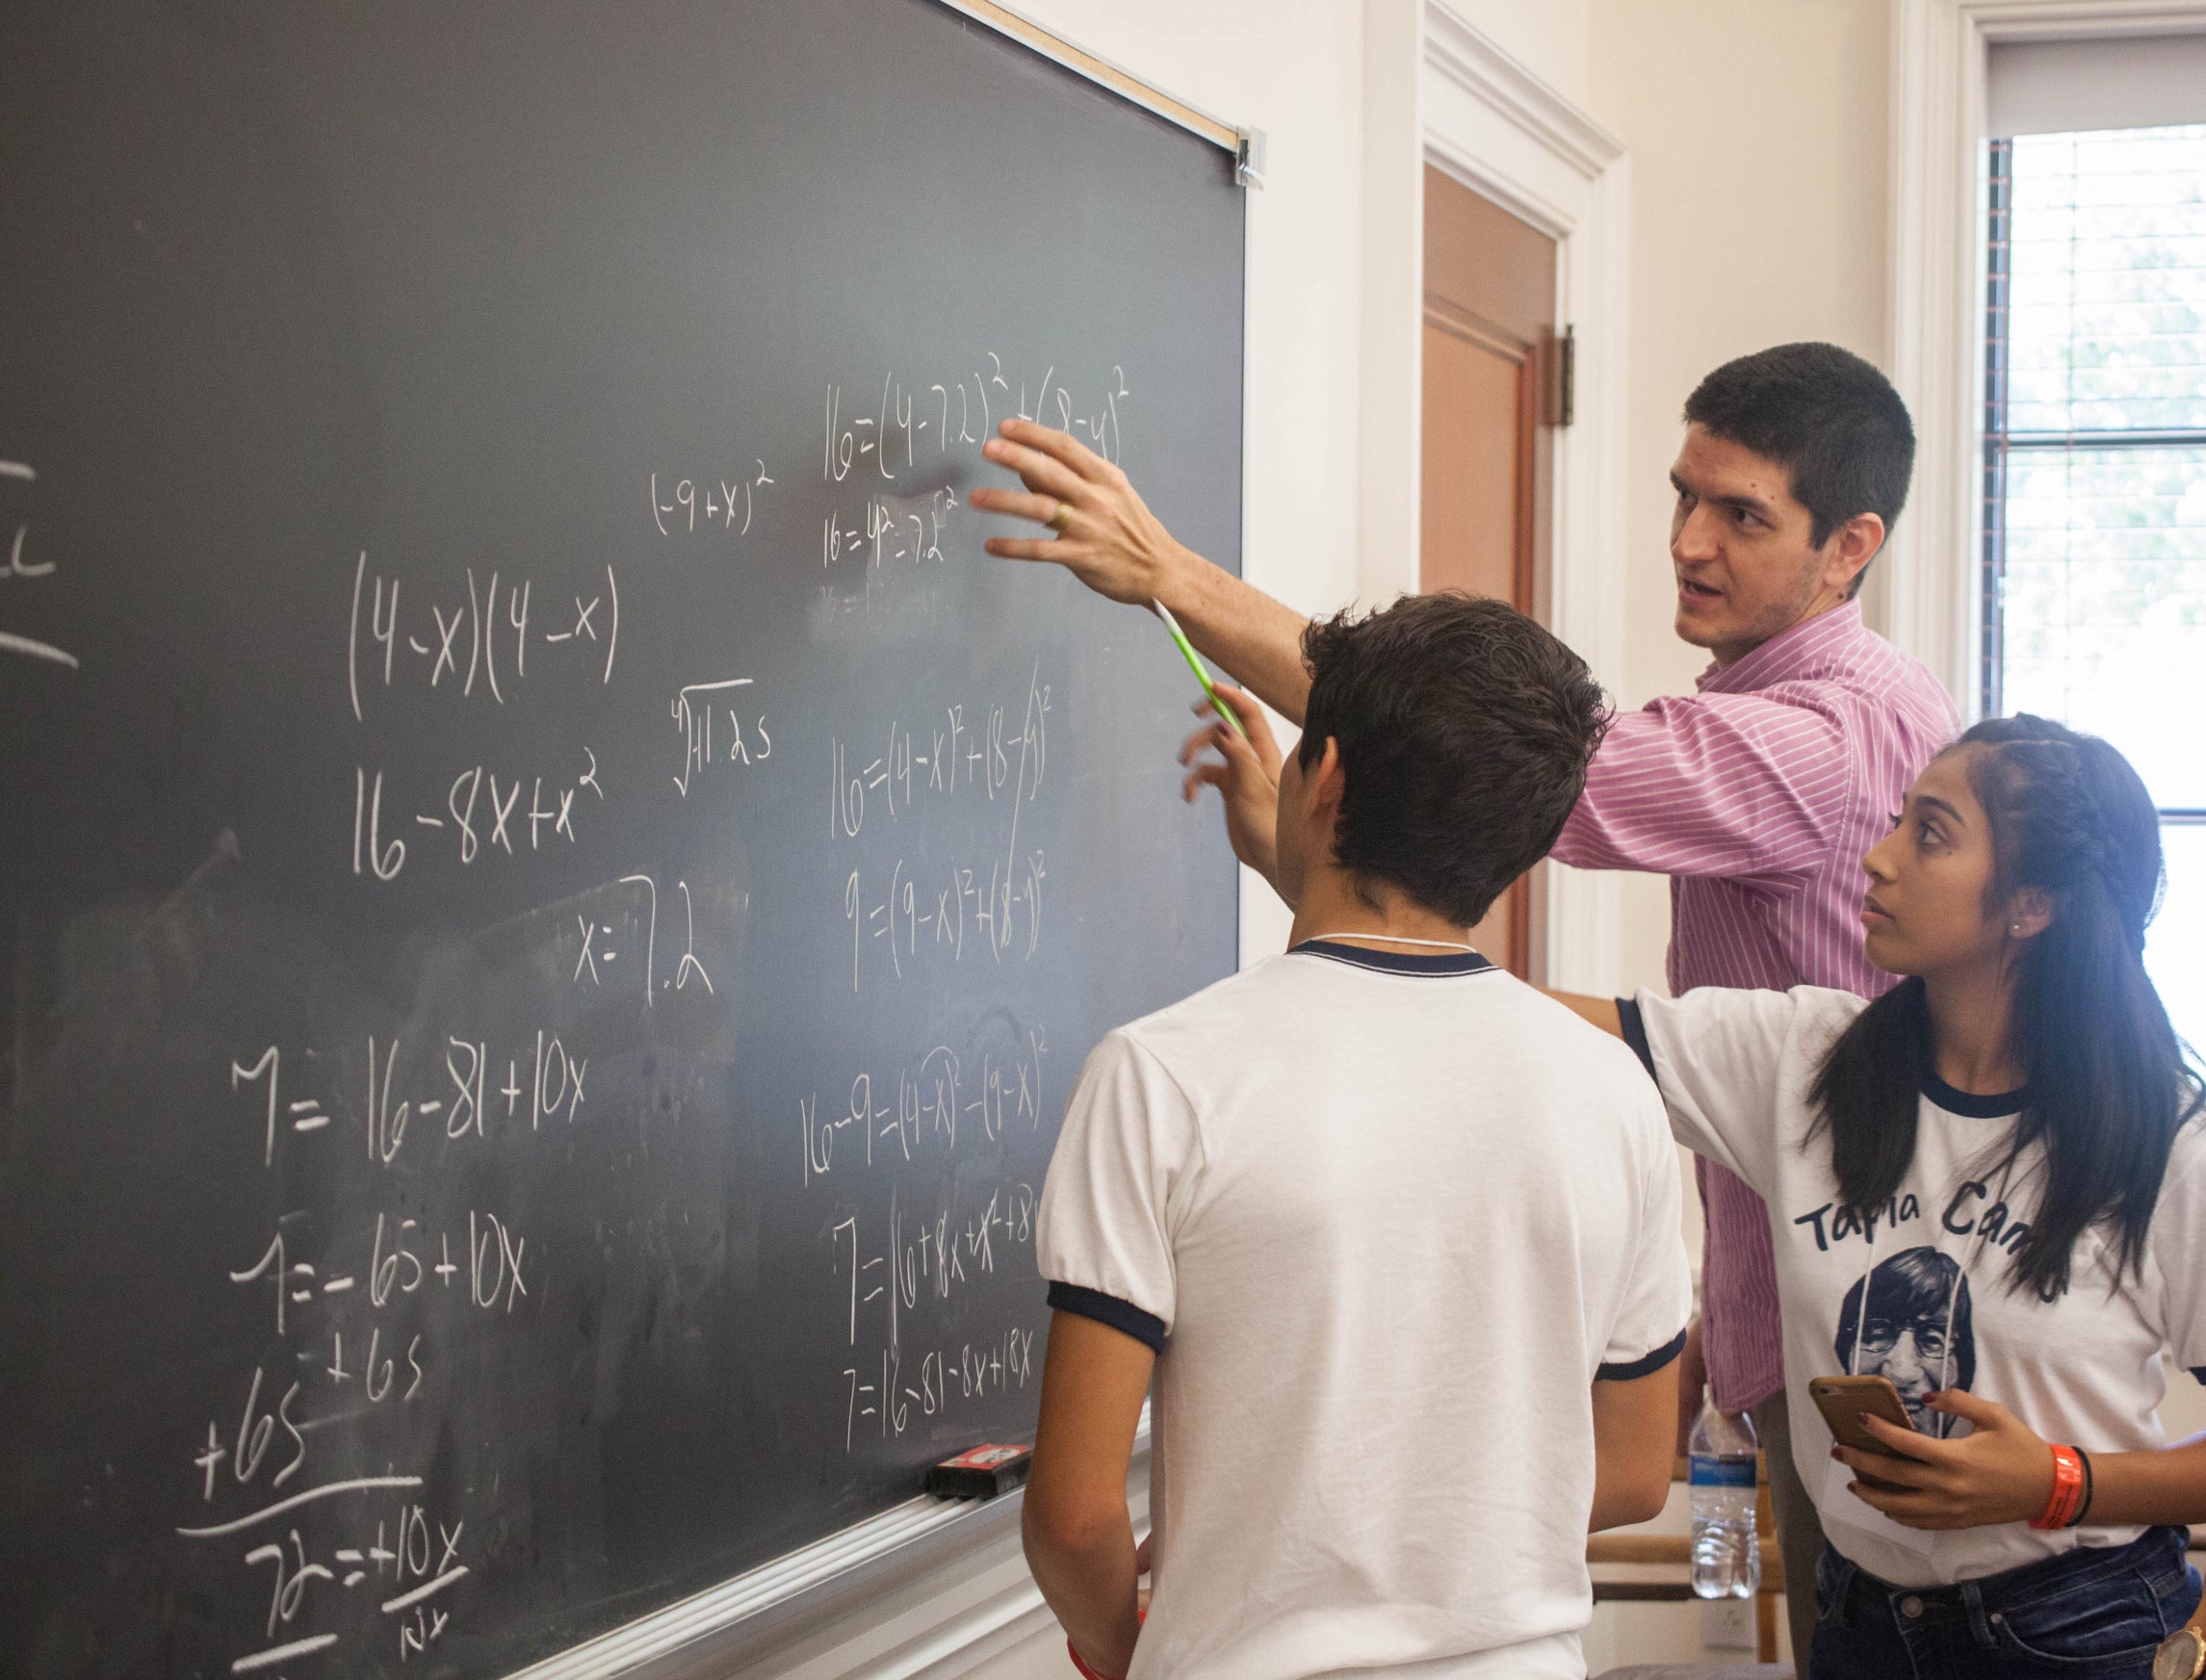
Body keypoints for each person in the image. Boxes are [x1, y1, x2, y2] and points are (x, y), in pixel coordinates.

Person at [975, 342, 1959, 1672]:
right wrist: (1317, 890)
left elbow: (1538, 772)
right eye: (1683, 494)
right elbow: (1618, 1475)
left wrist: (1170, 578)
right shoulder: (1595, 1081)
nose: (1687, 540)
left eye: (1740, 515)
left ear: (1848, 547)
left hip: (1856, 1343)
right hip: (1755, 1350)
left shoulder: (1839, 734)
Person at [1023, 594, 1692, 1680]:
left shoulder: (1165, 1073)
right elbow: (1629, 1465)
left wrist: (1116, 1650)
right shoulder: (1610, 1091)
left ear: (1321, 776)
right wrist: (1429, 1545)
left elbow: (1073, 1515)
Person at [1549, 716, 2206, 1678]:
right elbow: (1536, 1030)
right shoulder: (1802, 1059)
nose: (1877, 857)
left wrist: (2056, 1482)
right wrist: (1338, 908)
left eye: (1928, 833)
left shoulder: (2161, 1137)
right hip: (1860, 1621)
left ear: (2029, 904)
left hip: (2079, 1627)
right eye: (1896, 820)